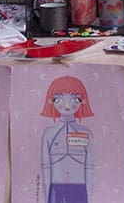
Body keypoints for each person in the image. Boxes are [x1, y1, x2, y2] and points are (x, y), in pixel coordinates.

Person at [40, 75, 95, 203]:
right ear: (50, 101)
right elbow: (46, 167)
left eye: (75, 99)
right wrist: (47, 194)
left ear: (83, 101)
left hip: (79, 187)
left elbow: (89, 167)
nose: (66, 105)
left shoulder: (86, 133)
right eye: (58, 99)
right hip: (55, 188)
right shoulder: (49, 133)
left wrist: (89, 196)